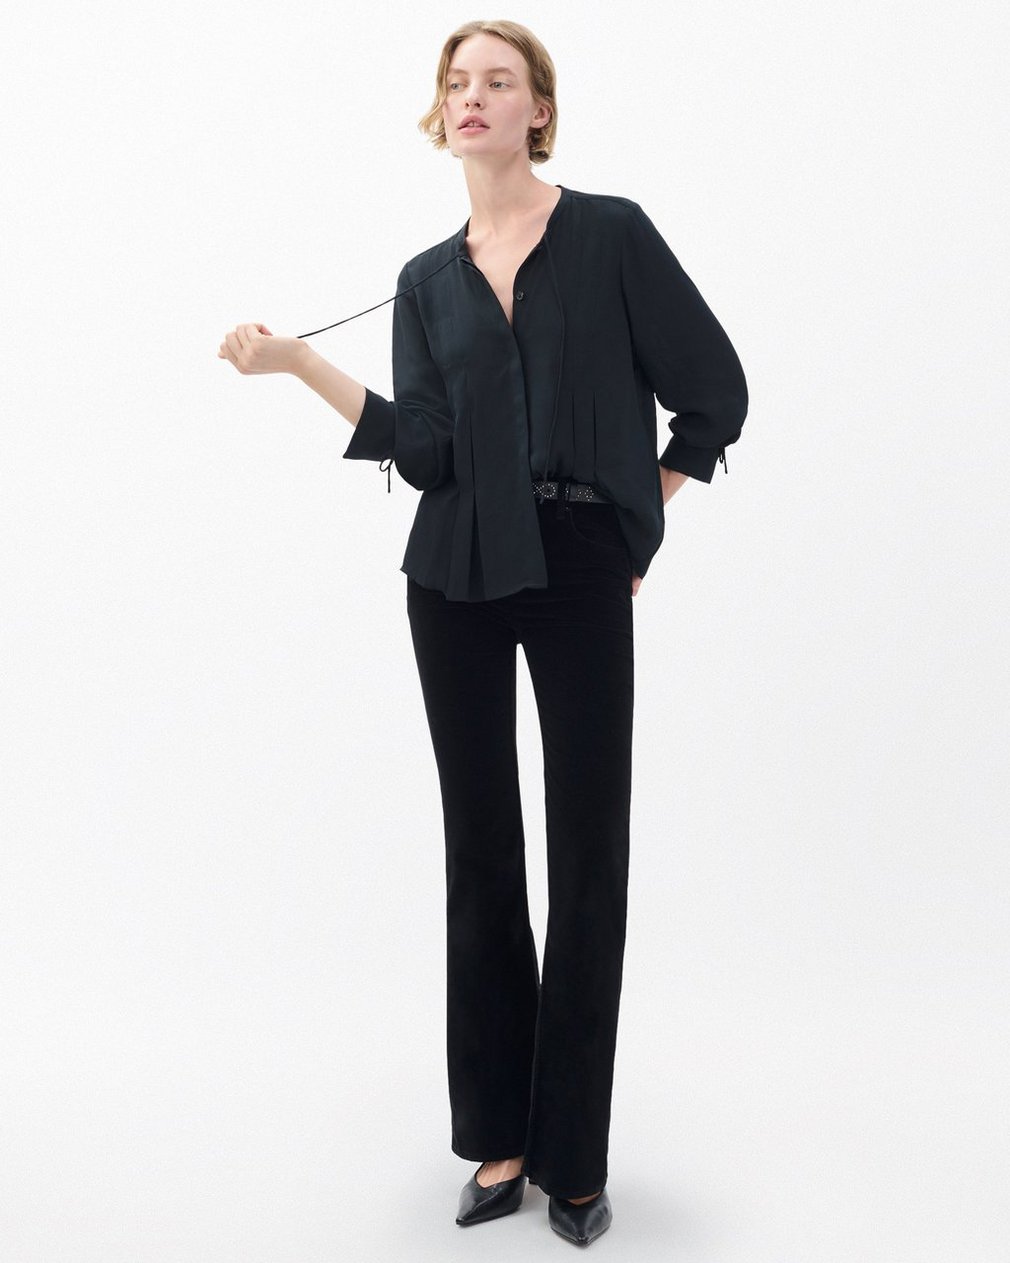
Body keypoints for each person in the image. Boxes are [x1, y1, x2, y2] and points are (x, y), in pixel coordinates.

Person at [218, 19, 748, 1248]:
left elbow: (711, 392)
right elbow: (427, 452)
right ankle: (501, 1139)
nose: (471, 98)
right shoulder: (424, 280)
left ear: (536, 111)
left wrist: (634, 520)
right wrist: (297, 366)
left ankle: (573, 1160)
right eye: (456, 83)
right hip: (451, 574)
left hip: (576, 566)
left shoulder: (610, 235)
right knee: (481, 854)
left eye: (496, 81)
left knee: (587, 856)